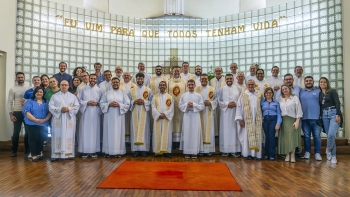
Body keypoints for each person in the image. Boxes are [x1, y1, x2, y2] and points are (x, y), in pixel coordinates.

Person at [49, 80, 80, 161]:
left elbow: (77, 106)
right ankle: (56, 155)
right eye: (62, 85)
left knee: (69, 135)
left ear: (68, 86)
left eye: (65, 85)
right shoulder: (54, 96)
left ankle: (68, 154)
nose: (64, 86)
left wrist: (69, 109)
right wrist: (60, 109)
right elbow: (50, 107)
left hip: (68, 119)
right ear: (60, 86)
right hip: (58, 119)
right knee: (57, 135)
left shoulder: (73, 96)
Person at [100, 77, 130, 158]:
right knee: (108, 133)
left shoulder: (123, 93)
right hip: (109, 117)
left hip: (119, 117)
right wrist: (108, 104)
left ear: (119, 84)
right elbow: (101, 103)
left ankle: (118, 151)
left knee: (118, 133)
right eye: (114, 82)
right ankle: (107, 151)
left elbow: (127, 104)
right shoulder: (107, 93)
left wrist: (119, 105)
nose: (115, 84)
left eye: (117, 82)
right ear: (111, 84)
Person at [236, 80, 264, 160]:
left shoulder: (259, 94)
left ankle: (257, 155)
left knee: (257, 135)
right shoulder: (243, 94)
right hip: (246, 120)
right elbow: (238, 107)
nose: (251, 86)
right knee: (247, 136)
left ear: (255, 85)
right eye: (249, 85)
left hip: (257, 119)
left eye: (252, 84)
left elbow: (263, 106)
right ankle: (247, 154)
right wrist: (240, 119)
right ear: (246, 85)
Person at [22, 87, 51, 162]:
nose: (39, 93)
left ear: (43, 93)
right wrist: (35, 120)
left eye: (41, 92)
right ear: (34, 93)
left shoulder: (46, 102)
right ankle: (34, 154)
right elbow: (26, 112)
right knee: (33, 138)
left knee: (42, 138)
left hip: (43, 123)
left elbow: (50, 112)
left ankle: (39, 153)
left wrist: (45, 119)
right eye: (37, 92)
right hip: (31, 123)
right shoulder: (29, 101)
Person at [77, 74, 103, 158]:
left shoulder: (99, 90)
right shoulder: (82, 89)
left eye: (94, 78)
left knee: (95, 131)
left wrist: (97, 103)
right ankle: (84, 151)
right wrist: (86, 103)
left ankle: (94, 150)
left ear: (96, 80)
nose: (92, 80)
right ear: (88, 79)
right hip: (85, 112)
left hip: (95, 113)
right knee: (85, 131)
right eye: (91, 78)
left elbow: (103, 102)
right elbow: (78, 101)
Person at [128, 73, 153, 157]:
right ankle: (135, 150)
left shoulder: (148, 90)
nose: (140, 80)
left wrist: (144, 102)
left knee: (144, 131)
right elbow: (128, 102)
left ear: (144, 80)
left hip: (144, 114)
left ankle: (144, 150)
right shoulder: (131, 90)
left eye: (141, 79)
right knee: (134, 130)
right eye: (138, 79)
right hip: (134, 112)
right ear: (135, 79)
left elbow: (152, 102)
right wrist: (133, 102)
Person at [216, 74, 241, 157]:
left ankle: (235, 150)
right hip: (225, 113)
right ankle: (225, 150)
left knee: (235, 130)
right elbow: (218, 100)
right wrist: (227, 104)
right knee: (225, 130)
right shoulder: (221, 89)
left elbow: (241, 100)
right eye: (227, 79)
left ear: (233, 79)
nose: (229, 80)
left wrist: (236, 103)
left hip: (235, 111)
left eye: (230, 78)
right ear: (225, 80)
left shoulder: (238, 89)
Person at [319, 77, 342, 164]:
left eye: (324, 82)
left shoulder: (332, 91)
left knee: (331, 134)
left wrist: (338, 114)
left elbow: (337, 103)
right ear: (319, 83)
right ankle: (333, 155)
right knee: (329, 136)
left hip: (333, 113)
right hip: (325, 115)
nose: (323, 83)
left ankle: (328, 149)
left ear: (327, 83)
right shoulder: (320, 93)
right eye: (321, 82)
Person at [179, 79, 204, 159]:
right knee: (187, 133)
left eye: (192, 85)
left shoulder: (198, 95)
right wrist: (187, 105)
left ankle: (194, 152)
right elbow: (180, 105)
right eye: (189, 85)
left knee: (195, 133)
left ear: (195, 85)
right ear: (187, 85)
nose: (190, 86)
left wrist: (193, 104)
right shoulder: (184, 95)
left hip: (195, 116)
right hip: (187, 116)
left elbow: (202, 106)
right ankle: (187, 152)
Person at [7, 72, 30, 157]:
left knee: (28, 132)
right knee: (16, 132)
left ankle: (27, 149)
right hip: (17, 112)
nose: (20, 79)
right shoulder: (13, 89)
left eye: (22, 77)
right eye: (19, 77)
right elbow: (9, 102)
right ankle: (14, 151)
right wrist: (11, 115)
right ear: (16, 79)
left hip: (27, 113)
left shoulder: (28, 88)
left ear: (24, 78)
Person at [278, 85, 303, 163]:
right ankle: (287, 154)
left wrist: (297, 121)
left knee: (292, 138)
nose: (284, 90)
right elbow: (278, 111)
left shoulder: (295, 98)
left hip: (293, 120)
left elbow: (299, 111)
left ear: (289, 89)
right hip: (283, 121)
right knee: (285, 139)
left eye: (286, 88)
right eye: (283, 89)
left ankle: (292, 154)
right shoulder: (280, 99)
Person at [299, 76, 322, 161]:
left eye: (310, 81)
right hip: (304, 118)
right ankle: (307, 152)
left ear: (313, 81)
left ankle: (317, 153)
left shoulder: (318, 91)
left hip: (316, 118)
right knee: (306, 136)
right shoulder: (301, 91)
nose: (308, 82)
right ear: (304, 82)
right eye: (307, 81)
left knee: (317, 136)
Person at [195, 74, 217, 156]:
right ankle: (200, 150)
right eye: (202, 79)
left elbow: (216, 100)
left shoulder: (212, 89)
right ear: (200, 80)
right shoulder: (196, 89)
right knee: (200, 130)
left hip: (209, 112)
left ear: (208, 80)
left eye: (205, 79)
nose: (204, 80)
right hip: (199, 113)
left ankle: (208, 150)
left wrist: (210, 103)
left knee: (209, 130)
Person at [151, 81, 174, 158]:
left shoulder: (170, 97)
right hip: (158, 118)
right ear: (158, 87)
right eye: (160, 85)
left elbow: (171, 108)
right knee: (157, 134)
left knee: (166, 135)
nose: (162, 86)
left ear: (166, 87)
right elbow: (153, 107)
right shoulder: (155, 97)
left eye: (163, 85)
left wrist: (165, 114)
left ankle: (167, 151)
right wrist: (158, 115)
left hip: (166, 118)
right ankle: (157, 151)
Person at [260, 87, 282, 161]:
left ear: (272, 94)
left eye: (270, 93)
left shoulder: (276, 102)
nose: (268, 94)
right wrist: (260, 123)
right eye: (267, 93)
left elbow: (279, 113)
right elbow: (260, 113)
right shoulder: (262, 102)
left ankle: (272, 155)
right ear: (265, 94)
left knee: (272, 137)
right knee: (267, 137)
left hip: (273, 119)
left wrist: (278, 123)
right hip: (265, 120)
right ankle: (266, 154)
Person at [167, 66, 187, 147]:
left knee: (181, 122)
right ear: (172, 72)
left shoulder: (184, 82)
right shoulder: (168, 82)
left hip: (181, 107)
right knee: (171, 123)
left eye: (178, 71)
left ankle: (180, 142)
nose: (176, 72)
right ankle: (172, 142)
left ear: (180, 71)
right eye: (175, 71)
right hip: (171, 106)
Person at [209, 66, 226, 136]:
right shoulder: (211, 81)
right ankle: (216, 135)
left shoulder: (226, 80)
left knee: (222, 118)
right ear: (214, 72)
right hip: (214, 102)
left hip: (223, 102)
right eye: (216, 71)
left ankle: (222, 134)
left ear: (222, 72)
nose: (218, 72)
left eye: (219, 71)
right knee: (215, 118)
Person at [119, 71, 135, 142]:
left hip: (131, 108)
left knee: (131, 123)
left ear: (130, 77)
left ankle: (130, 140)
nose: (126, 77)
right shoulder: (119, 85)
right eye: (124, 75)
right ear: (122, 77)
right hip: (122, 107)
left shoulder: (134, 85)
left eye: (127, 75)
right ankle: (123, 140)